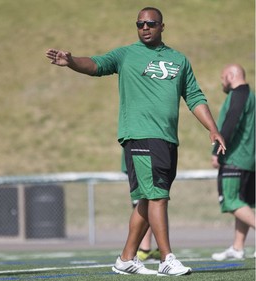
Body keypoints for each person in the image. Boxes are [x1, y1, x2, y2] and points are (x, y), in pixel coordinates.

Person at [46, 6, 226, 276]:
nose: (144, 27)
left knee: (146, 199)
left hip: (167, 138)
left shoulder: (179, 59)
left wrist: (212, 129)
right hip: (141, 135)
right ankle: (166, 258)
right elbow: (95, 64)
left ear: (162, 26)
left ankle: (126, 258)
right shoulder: (126, 54)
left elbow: (195, 97)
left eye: (151, 23)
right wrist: (71, 62)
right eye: (140, 23)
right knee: (158, 197)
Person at [211, 64, 255, 261]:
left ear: (231, 75)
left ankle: (238, 247)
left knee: (231, 201)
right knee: (243, 203)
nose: (222, 82)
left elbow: (230, 124)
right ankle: (237, 247)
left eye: (222, 77)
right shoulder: (250, 96)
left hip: (235, 158)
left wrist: (217, 152)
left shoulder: (238, 95)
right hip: (248, 160)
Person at [121, 149, 161, 261]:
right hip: (140, 153)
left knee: (154, 201)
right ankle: (134, 253)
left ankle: (146, 249)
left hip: (146, 153)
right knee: (149, 201)